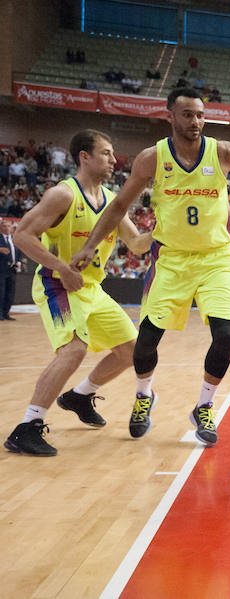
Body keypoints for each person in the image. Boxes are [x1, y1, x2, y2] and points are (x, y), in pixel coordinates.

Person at [71, 88, 230, 446]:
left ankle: (204, 406)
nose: (195, 122)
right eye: (187, 115)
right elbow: (118, 206)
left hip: (216, 259)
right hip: (173, 260)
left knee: (225, 336)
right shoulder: (152, 158)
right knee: (146, 341)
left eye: (199, 115)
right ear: (170, 116)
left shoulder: (223, 151)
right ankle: (143, 395)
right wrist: (90, 245)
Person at [4, 130, 152, 456]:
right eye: (107, 153)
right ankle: (27, 427)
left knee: (133, 351)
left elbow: (137, 245)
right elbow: (23, 235)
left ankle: (81, 395)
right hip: (56, 283)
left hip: (91, 288)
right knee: (74, 349)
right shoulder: (63, 195)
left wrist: (162, 232)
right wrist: (61, 267)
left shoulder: (114, 202)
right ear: (84, 157)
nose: (115, 160)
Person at [0, 217, 17, 320]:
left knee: (10, 292)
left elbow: (18, 251)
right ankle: (0, 313)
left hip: (12, 270)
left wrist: (19, 261)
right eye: (4, 226)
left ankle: (6, 313)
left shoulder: (14, 239)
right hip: (1, 269)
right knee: (1, 292)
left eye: (8, 226)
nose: (7, 228)